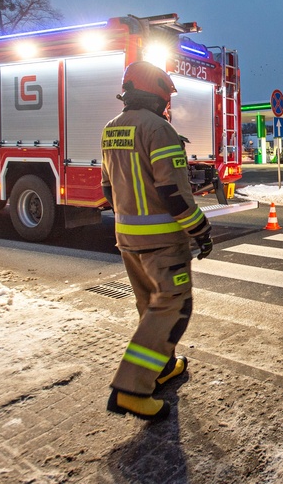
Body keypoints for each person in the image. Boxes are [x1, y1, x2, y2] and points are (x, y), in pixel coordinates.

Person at [101, 61, 213, 421]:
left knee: (150, 306)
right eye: (167, 97)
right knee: (172, 308)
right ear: (157, 94)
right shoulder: (158, 129)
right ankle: (131, 389)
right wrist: (200, 229)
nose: (168, 105)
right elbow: (173, 193)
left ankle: (161, 368)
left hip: (128, 238)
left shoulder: (111, 129)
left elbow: (107, 187)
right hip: (163, 241)